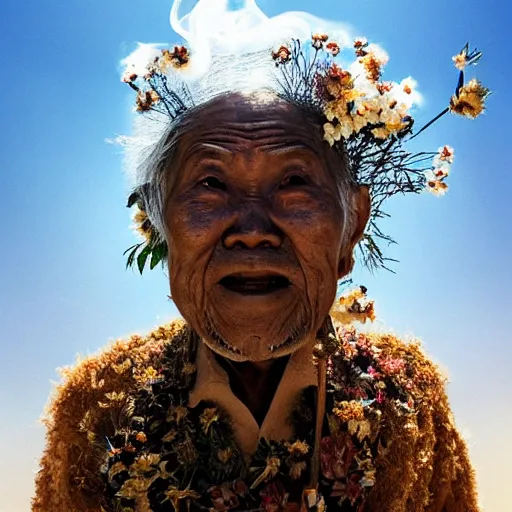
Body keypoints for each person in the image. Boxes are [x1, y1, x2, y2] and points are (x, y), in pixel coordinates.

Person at [32, 1, 488, 511]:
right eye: (210, 184)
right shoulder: (98, 406)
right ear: (160, 222)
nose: (251, 231)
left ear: (352, 223)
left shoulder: (409, 397)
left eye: (293, 182)